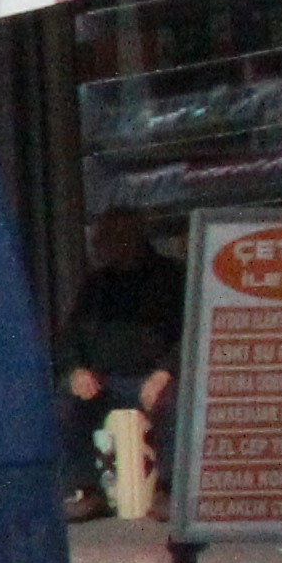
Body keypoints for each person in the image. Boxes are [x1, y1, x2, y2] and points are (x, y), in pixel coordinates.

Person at [65, 201, 183, 518]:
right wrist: (78, 370)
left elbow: (188, 332)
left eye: (107, 239)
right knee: (66, 405)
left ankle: (167, 491)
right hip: (107, 378)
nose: (100, 246)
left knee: (173, 404)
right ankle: (87, 491)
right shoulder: (97, 284)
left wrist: (165, 372)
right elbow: (72, 335)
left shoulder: (171, 278)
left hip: (154, 376)